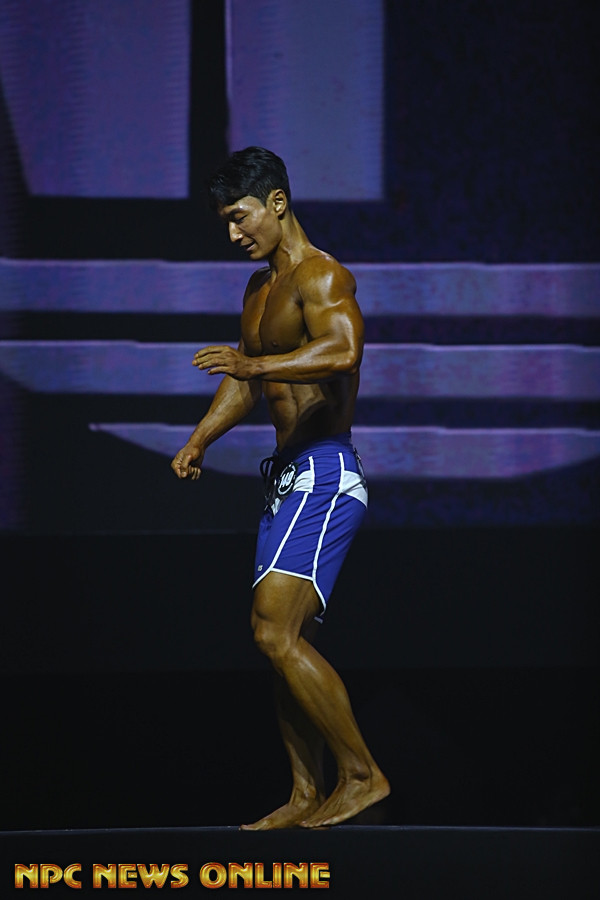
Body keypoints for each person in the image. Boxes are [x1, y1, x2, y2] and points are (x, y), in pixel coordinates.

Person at [171, 147, 389, 829]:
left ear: (277, 202)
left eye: (240, 217)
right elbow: (246, 380)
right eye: (225, 223)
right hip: (288, 479)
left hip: (324, 471)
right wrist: (200, 438)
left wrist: (253, 365)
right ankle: (304, 792)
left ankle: (362, 775)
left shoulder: (322, 275)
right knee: (283, 642)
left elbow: (343, 352)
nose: (234, 233)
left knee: (272, 631)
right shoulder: (258, 289)